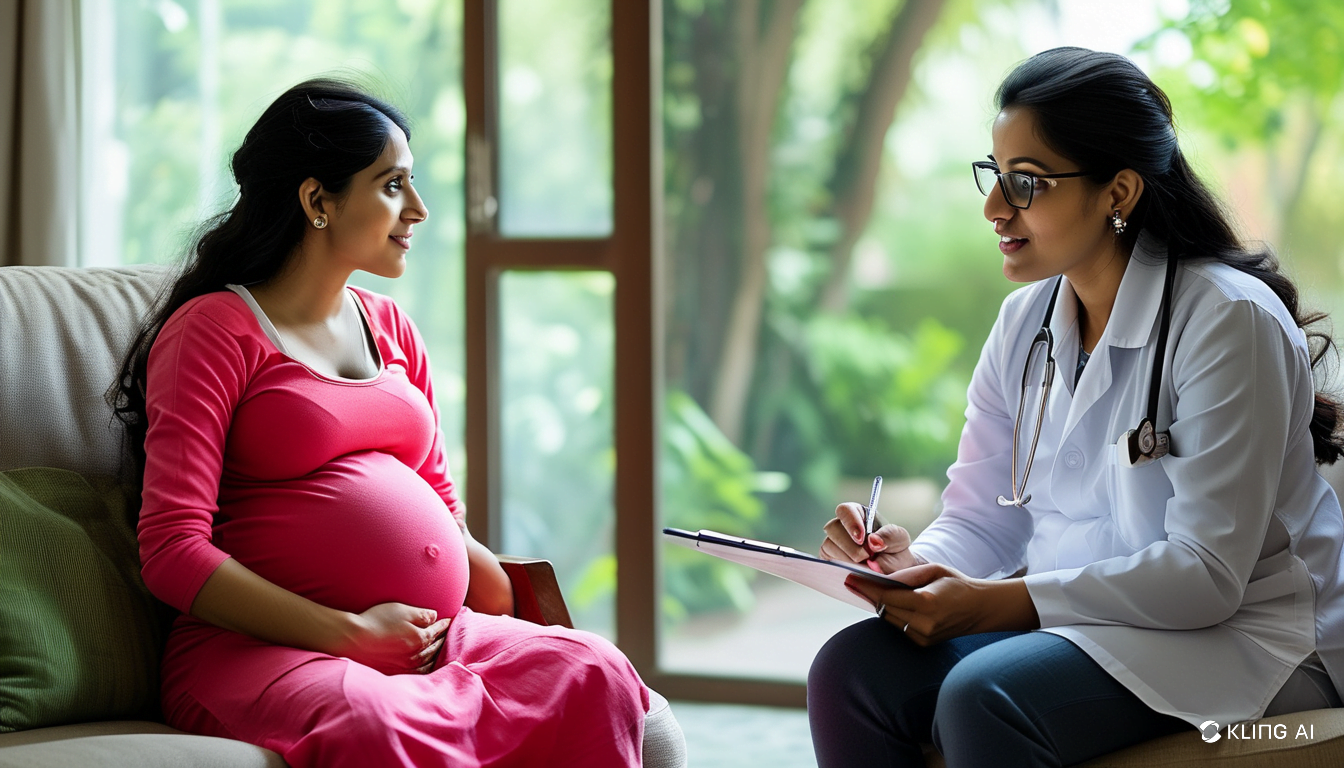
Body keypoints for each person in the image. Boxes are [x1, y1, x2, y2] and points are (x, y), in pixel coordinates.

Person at [110, 78, 681, 768]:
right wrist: (346, 633)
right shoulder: (214, 331)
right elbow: (173, 551)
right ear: (317, 199)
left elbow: (440, 505)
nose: (419, 210)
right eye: (392, 186)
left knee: (593, 667)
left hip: (428, 637)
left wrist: (496, 585)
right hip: (263, 653)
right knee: (377, 722)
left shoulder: (391, 327)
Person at [808, 47, 1344, 767]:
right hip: (1083, 624)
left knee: (983, 695)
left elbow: (1207, 578)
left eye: (1026, 182)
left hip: (1251, 641)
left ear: (1118, 192)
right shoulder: (1023, 323)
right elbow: (979, 520)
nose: (995, 206)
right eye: (995, 176)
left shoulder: (1226, 320)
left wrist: (996, 603)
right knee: (851, 670)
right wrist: (909, 571)